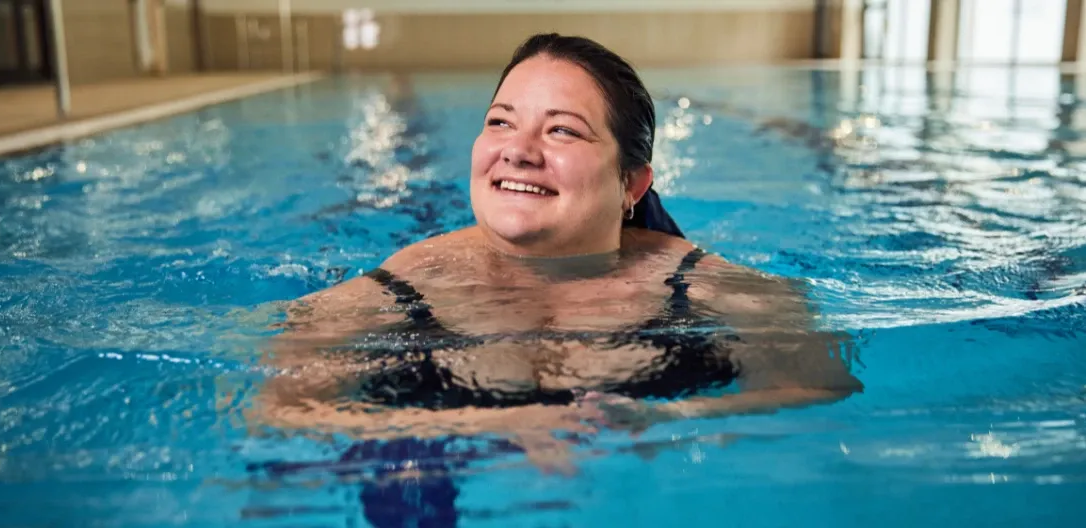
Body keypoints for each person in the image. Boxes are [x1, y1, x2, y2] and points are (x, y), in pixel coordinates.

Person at [253, 32, 863, 462]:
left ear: (631, 183)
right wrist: (497, 425)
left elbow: (819, 387)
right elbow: (279, 410)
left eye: (562, 130)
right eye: (500, 121)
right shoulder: (403, 289)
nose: (517, 150)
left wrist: (672, 418)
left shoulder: (705, 289)